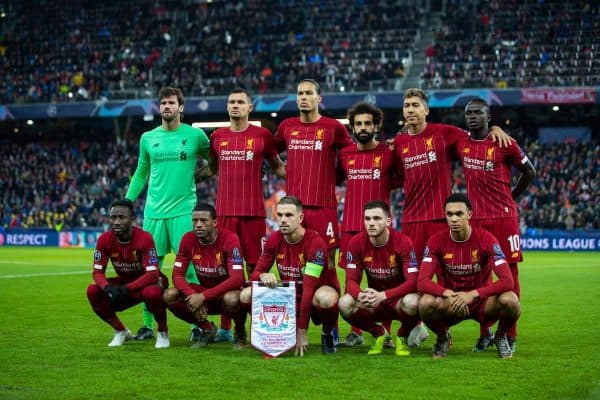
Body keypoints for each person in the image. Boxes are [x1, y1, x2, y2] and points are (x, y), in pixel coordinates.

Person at [392, 88, 511, 348]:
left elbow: (477, 134)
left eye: (415, 105)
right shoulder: (399, 142)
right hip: (411, 219)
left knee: (464, 275)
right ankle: (421, 328)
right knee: (411, 278)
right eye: (406, 106)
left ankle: (484, 330)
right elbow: (399, 176)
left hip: (439, 218)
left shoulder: (446, 133)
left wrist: (496, 128)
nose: (410, 110)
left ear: (426, 109)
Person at [198, 88, 286, 342]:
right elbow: (211, 169)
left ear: (250, 107)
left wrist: (307, 178)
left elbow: (279, 167)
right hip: (224, 214)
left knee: (254, 269)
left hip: (253, 215)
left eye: (240, 102)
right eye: (231, 102)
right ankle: (229, 328)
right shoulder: (217, 137)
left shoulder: (262, 136)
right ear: (227, 107)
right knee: (225, 271)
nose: (235, 105)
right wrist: (183, 178)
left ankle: (258, 327)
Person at [125, 86, 210, 341]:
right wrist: (127, 202)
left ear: (181, 107)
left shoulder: (195, 136)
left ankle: (197, 324)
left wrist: (203, 175)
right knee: (149, 269)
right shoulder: (148, 138)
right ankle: (147, 325)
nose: (167, 107)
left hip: (184, 212)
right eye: (163, 103)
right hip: (153, 214)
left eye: (171, 103)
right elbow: (141, 173)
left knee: (191, 270)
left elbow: (215, 160)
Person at [460, 98, 536, 352]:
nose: (472, 117)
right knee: (479, 277)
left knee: (510, 276)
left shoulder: (504, 143)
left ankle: (510, 335)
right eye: (468, 113)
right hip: (476, 221)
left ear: (488, 116)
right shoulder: (461, 142)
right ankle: (485, 333)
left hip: (504, 219)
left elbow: (530, 172)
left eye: (478, 113)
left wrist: (511, 197)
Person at [417, 193, 520, 359]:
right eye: (449, 214)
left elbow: (508, 281)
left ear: (470, 214)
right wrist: (448, 294)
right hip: (452, 303)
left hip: (482, 303)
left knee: (511, 300)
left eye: (459, 214)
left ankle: (500, 337)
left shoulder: (487, 239)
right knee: (424, 303)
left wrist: (472, 295)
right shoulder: (436, 241)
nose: (454, 219)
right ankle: (443, 337)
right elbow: (422, 282)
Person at [274, 79, 353, 291]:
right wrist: (279, 168)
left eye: (308, 93)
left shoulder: (333, 127)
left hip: (323, 208)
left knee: (327, 264)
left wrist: (336, 177)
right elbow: (270, 151)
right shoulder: (286, 127)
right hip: (293, 210)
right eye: (300, 94)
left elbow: (351, 155)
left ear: (319, 98)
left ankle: (331, 322)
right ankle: (299, 310)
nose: (303, 98)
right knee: (292, 262)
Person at [240, 196, 339, 356]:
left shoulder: (315, 243)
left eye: (289, 215)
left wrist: (302, 330)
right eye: (280, 215)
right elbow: (255, 275)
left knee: (326, 298)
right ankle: (270, 333)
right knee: (246, 295)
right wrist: (263, 276)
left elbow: (308, 289)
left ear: (300, 218)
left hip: (314, 297)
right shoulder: (274, 239)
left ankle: (327, 333)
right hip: (290, 297)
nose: (283, 220)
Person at [337, 102, 399, 347]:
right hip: (350, 226)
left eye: (367, 123)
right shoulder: (345, 155)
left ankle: (386, 333)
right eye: (358, 124)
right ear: (352, 127)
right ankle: (357, 332)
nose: (363, 128)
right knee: (350, 279)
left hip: (378, 228)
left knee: (382, 280)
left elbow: (401, 179)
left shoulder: (388, 153)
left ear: (376, 126)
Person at [338, 201, 420, 356]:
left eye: (376, 218)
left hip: (399, 302)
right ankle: (379, 333)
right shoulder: (356, 242)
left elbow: (413, 281)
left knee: (413, 302)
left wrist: (384, 295)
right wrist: (361, 295)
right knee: (345, 303)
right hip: (375, 303)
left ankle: (402, 335)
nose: (371, 223)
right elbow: (350, 281)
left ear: (388, 221)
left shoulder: (403, 242)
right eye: (367, 219)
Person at [86, 199, 170, 349]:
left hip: (147, 282)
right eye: (113, 217)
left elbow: (152, 274)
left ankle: (163, 332)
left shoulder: (144, 238)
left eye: (121, 217)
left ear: (131, 219)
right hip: (125, 282)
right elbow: (97, 272)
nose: (116, 222)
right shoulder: (104, 239)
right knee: (93, 291)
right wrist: (107, 287)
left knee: (152, 292)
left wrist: (126, 289)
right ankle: (121, 331)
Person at [163, 203, 246, 348]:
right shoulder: (187, 239)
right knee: (169, 295)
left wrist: (203, 297)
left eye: (203, 220)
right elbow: (177, 275)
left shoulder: (229, 238)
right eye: (195, 221)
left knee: (232, 298)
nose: (198, 225)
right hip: (203, 292)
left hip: (225, 295)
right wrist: (192, 295)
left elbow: (237, 278)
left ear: (214, 223)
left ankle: (240, 332)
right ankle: (207, 328)